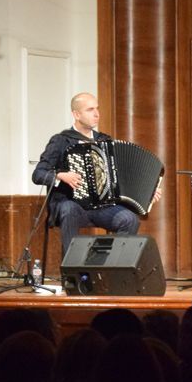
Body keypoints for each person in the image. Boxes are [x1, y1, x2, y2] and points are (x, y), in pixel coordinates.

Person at [32, 92, 160, 260]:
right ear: (76, 114)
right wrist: (61, 175)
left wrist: (147, 191)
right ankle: (73, 272)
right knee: (68, 209)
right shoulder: (61, 140)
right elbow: (38, 174)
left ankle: (107, 266)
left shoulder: (104, 141)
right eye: (90, 109)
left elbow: (119, 178)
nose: (96, 114)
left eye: (97, 108)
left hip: (102, 207)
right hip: (72, 205)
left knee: (129, 220)